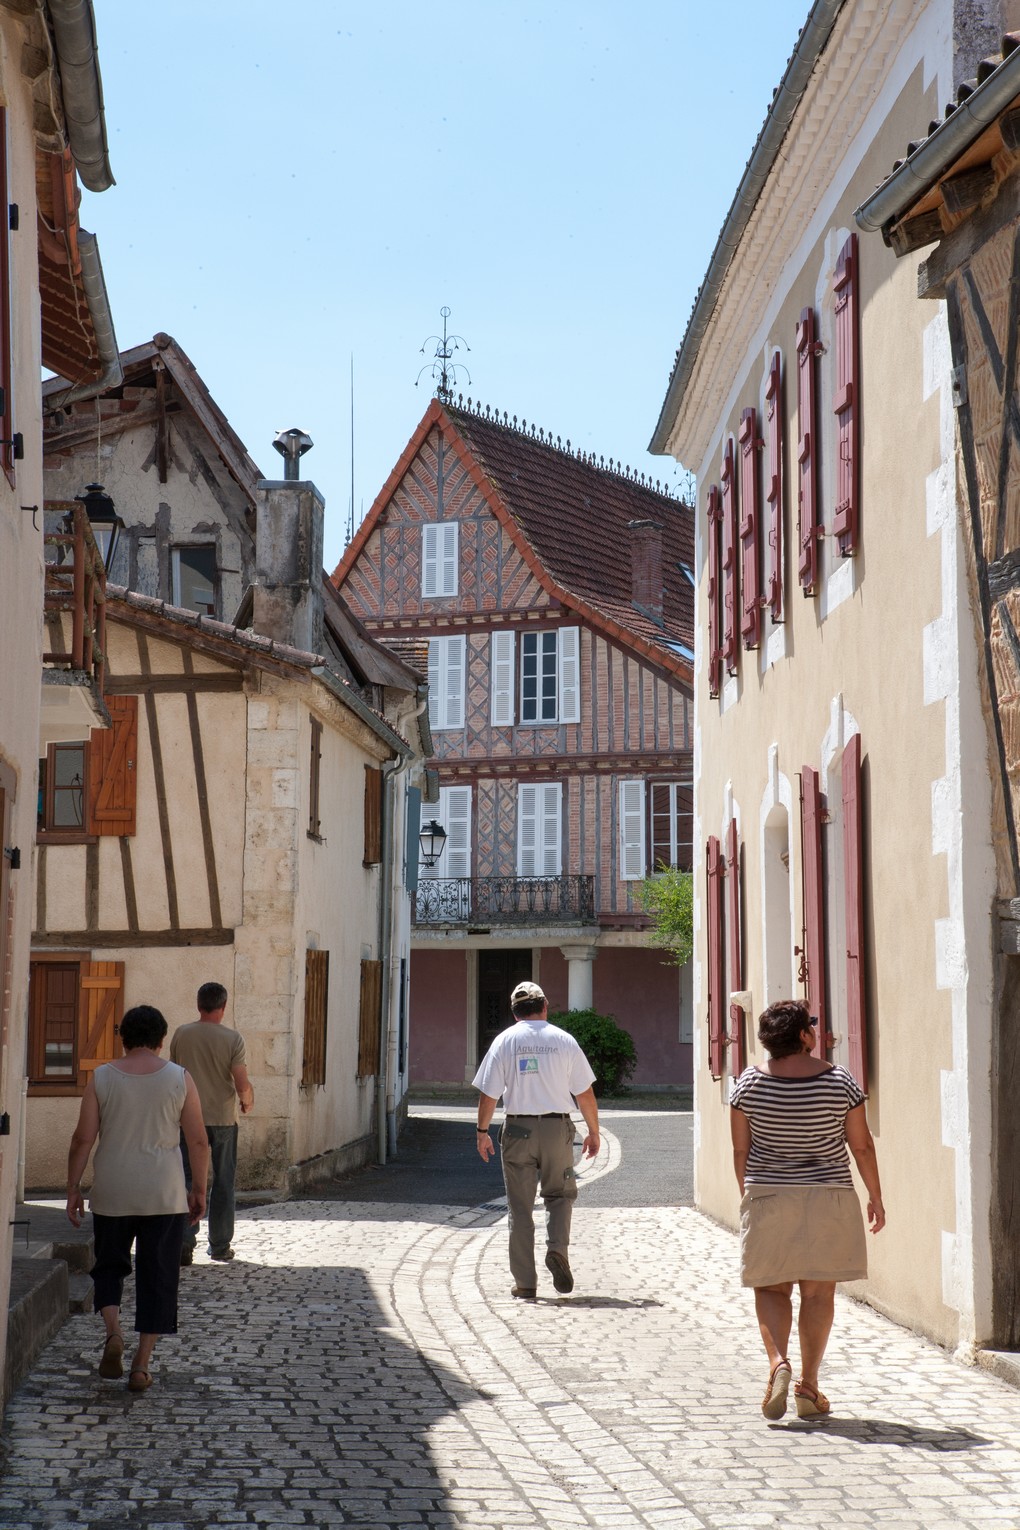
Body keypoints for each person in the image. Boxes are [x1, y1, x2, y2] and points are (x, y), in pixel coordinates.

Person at [729, 998, 886, 1421]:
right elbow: (861, 1145)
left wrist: (749, 1194)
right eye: (811, 1026)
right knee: (818, 1295)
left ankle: (778, 1363)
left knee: (772, 1288)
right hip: (829, 1196)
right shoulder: (840, 1082)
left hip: (769, 1195)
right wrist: (875, 1195)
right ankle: (809, 1387)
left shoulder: (746, 1084)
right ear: (803, 1036)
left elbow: (740, 1149)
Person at [66, 1004, 209, 1392]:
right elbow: (197, 1139)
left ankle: (113, 1332)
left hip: (113, 1190)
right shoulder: (180, 1078)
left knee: (109, 1268)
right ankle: (141, 1366)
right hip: (163, 1195)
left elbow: (83, 1138)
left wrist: (73, 1187)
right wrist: (199, 1189)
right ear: (162, 1040)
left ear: (123, 1038)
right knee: (158, 1278)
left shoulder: (102, 1077)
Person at [473, 980, 600, 1299]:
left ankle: (526, 1283)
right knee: (559, 1195)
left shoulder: (504, 1041)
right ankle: (557, 1249)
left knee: (519, 1207)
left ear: (515, 1013)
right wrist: (594, 1131)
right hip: (557, 1129)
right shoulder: (564, 1040)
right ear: (545, 1007)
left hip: (517, 1129)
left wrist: (482, 1131)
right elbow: (584, 1092)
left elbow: (489, 1094)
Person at [170, 981, 254, 1263]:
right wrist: (246, 1100)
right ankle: (219, 1245)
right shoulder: (233, 1039)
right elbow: (240, 1080)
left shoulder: (182, 1034)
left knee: (186, 1179)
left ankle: (183, 1240)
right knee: (223, 1181)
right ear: (224, 1006)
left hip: (187, 1118)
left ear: (198, 1004)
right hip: (222, 1118)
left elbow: (174, 1074)